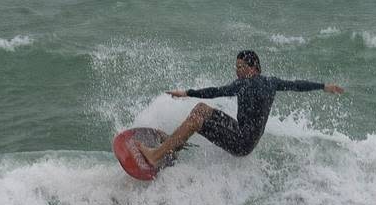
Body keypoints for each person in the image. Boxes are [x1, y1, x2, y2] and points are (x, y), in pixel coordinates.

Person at [137, 50, 344, 166]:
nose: (237, 72)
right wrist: (324, 86)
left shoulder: (244, 84)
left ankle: (156, 156)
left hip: (240, 142)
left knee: (196, 119)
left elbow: (216, 91)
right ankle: (174, 147)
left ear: (253, 68)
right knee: (202, 109)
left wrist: (187, 92)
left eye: (241, 68)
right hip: (245, 137)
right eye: (236, 68)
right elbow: (297, 85)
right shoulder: (271, 82)